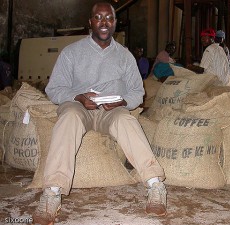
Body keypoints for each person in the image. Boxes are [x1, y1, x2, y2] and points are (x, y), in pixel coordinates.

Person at [32, 2, 167, 224]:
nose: (104, 23)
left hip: (110, 110)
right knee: (68, 118)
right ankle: (52, 192)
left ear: (115, 23)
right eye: (98, 17)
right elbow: (54, 89)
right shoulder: (72, 53)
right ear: (90, 22)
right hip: (79, 106)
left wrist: (122, 101)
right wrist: (78, 96)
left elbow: (137, 93)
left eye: (109, 18)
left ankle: (155, 185)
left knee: (127, 120)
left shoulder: (124, 56)